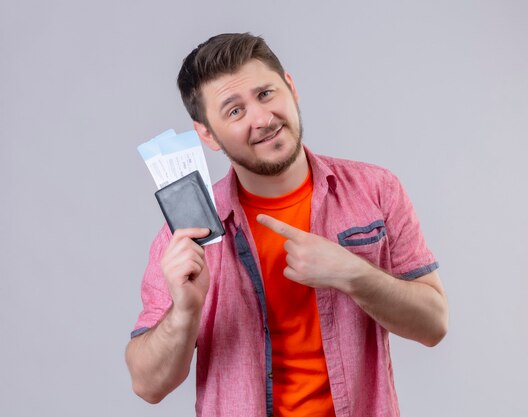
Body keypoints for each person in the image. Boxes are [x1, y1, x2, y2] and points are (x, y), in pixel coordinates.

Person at [125, 33, 448, 417]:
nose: (262, 119)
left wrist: (355, 275)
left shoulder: (375, 190)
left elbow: (434, 324)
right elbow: (147, 384)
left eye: (265, 94)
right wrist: (184, 312)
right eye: (234, 111)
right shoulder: (184, 236)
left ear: (291, 88)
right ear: (207, 134)